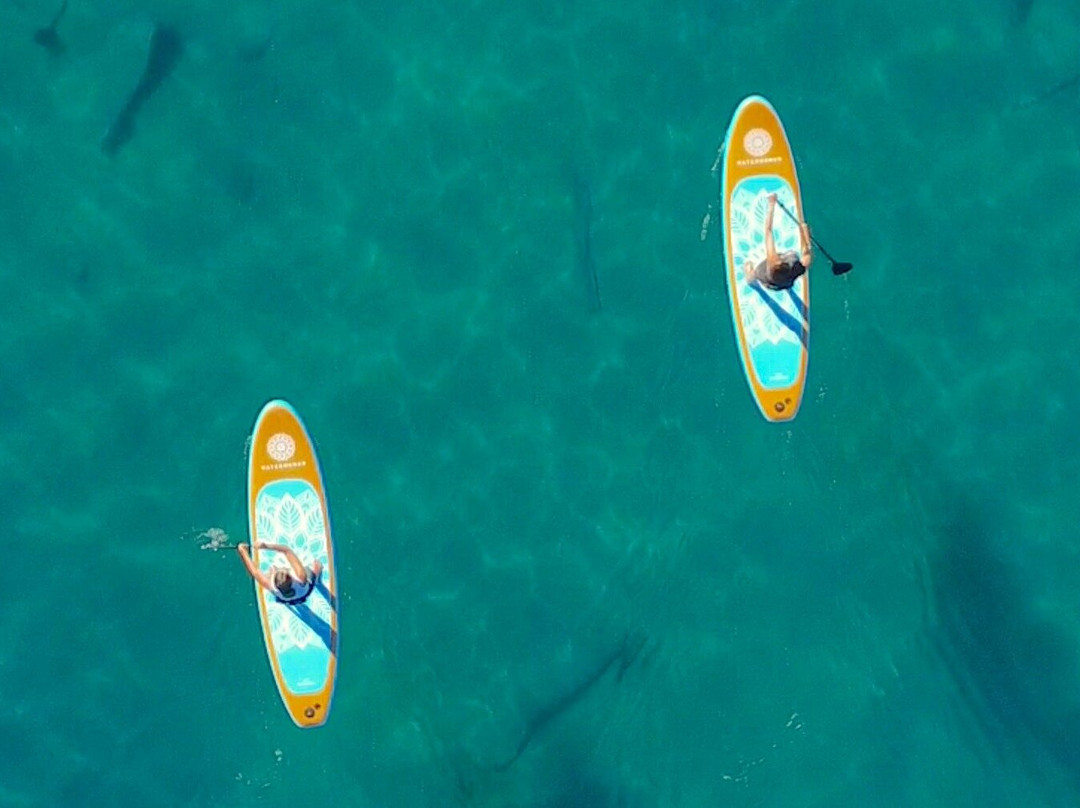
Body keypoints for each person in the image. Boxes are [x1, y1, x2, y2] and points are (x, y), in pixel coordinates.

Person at [744, 193, 813, 290]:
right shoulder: (795, 270)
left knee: (756, 273)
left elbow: (768, 231)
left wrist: (771, 204)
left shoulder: (773, 261)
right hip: (785, 284)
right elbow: (807, 255)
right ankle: (785, 287)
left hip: (767, 280)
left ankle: (750, 278)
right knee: (793, 255)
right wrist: (805, 235)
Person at [238, 541, 322, 605]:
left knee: (268, 576)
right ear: (291, 578)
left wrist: (243, 551)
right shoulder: (300, 576)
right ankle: (317, 578)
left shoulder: (269, 585)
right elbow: (287, 550)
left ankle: (286, 601)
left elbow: (255, 571)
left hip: (283, 599)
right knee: (315, 568)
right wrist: (265, 546)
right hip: (305, 593)